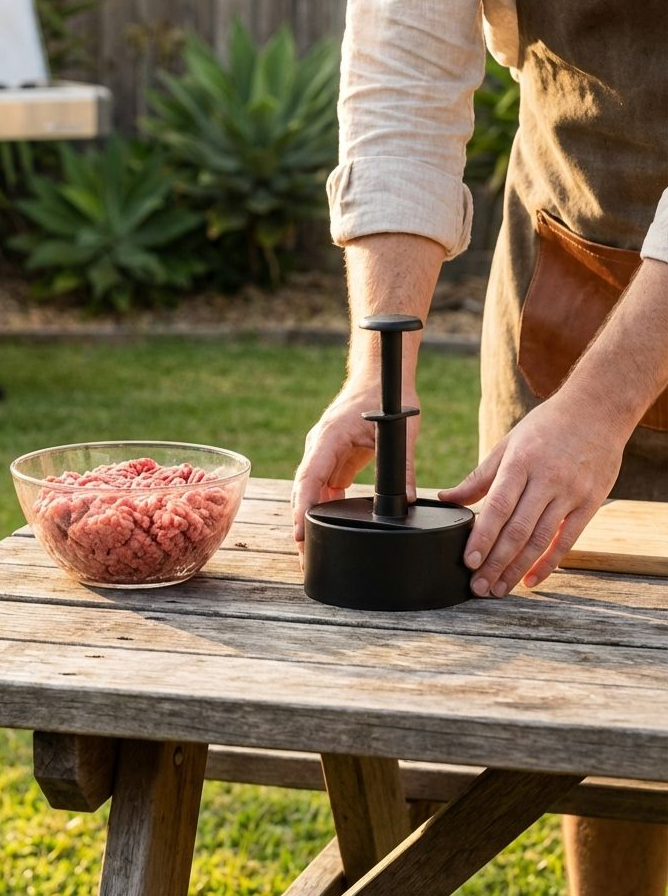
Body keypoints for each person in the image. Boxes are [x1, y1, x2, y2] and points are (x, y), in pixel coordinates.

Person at [290, 1, 668, 894]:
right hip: (580, 245)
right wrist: (375, 366)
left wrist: (602, 405)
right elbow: (403, 79)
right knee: (586, 655)